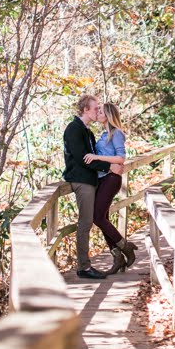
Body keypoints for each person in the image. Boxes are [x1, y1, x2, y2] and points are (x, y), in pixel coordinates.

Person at [63, 95, 115, 280]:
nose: (97, 111)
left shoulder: (87, 131)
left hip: (91, 179)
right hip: (82, 180)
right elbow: (82, 158)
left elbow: (93, 156)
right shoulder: (74, 129)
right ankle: (84, 267)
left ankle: (91, 263)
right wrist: (108, 167)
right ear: (85, 109)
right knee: (85, 222)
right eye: (95, 108)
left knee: (92, 220)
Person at [83, 102, 137, 275]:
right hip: (102, 179)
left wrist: (96, 156)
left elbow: (121, 158)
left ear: (108, 115)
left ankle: (125, 247)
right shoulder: (104, 134)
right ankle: (118, 257)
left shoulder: (116, 133)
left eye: (101, 111)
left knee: (97, 217)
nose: (97, 113)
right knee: (102, 217)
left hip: (111, 179)